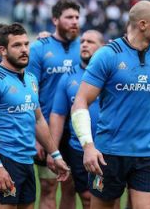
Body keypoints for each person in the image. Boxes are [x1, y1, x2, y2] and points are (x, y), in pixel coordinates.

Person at [71, 0, 150, 209]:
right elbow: (80, 102)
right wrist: (88, 146)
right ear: (143, 24)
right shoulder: (107, 55)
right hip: (109, 153)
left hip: (148, 155)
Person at [0, 23, 70, 208]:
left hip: (26, 161)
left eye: (26, 44)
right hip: (4, 159)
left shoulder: (31, 79)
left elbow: (38, 119)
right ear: (2, 50)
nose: (24, 49)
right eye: (17, 45)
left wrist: (55, 154)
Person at [28, 0, 81, 209]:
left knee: (70, 187)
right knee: (48, 186)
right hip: (47, 128)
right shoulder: (39, 48)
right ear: (55, 19)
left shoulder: (85, 46)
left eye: (77, 17)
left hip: (75, 129)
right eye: (69, 17)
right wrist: (37, 136)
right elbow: (30, 92)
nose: (75, 22)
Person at [50, 30, 105, 209]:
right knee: (87, 197)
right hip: (79, 148)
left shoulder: (112, 75)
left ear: (103, 47)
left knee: (106, 199)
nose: (84, 44)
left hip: (109, 147)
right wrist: (54, 150)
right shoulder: (68, 77)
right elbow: (58, 114)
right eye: (82, 41)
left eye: (90, 41)